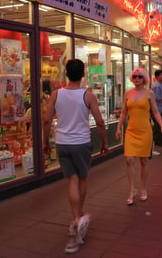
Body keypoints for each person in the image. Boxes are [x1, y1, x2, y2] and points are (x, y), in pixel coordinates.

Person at [43, 59, 108, 254]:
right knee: (82, 178)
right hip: (81, 144)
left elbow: (47, 120)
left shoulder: (56, 95)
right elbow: (100, 122)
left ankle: (76, 219)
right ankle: (78, 218)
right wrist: (104, 143)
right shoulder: (88, 96)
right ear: (83, 75)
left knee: (71, 180)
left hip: (62, 143)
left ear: (66, 74)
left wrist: (45, 142)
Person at [115, 68, 162, 205]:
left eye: (140, 76)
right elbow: (123, 113)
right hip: (131, 131)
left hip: (145, 131)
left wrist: (161, 126)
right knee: (129, 159)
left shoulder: (149, 93)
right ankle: (132, 190)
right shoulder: (127, 94)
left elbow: (155, 112)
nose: (137, 78)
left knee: (144, 161)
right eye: (135, 76)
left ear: (144, 79)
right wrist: (119, 127)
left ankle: (143, 188)